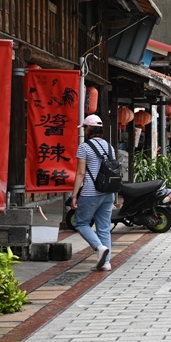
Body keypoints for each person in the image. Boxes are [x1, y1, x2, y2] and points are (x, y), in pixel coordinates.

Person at [71, 114, 115, 272]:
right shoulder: (109, 147)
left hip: (90, 192)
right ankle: (106, 263)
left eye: (84, 127)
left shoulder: (84, 147)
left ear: (89, 128)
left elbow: (80, 173)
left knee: (80, 223)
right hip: (108, 192)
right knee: (104, 227)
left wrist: (74, 195)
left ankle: (99, 247)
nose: (84, 130)